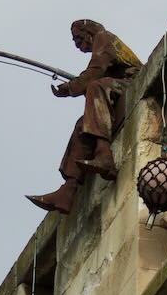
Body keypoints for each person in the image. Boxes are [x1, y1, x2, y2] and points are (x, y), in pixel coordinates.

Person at [27, 20, 142, 214]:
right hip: (114, 90)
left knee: (95, 87)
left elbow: (95, 72)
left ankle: (104, 154)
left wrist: (70, 88)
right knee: (82, 125)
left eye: (78, 38)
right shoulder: (101, 41)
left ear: (88, 30)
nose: (78, 45)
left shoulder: (103, 38)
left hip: (131, 84)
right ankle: (68, 190)